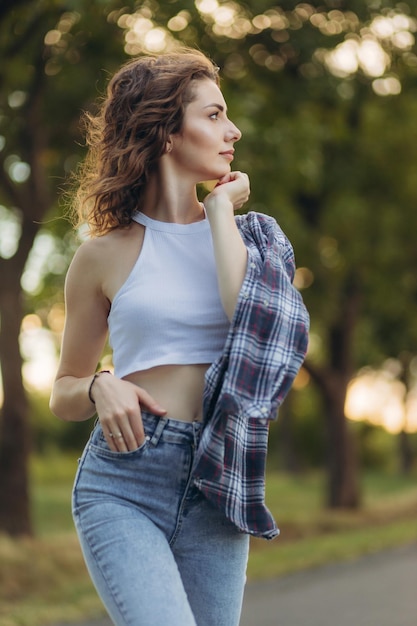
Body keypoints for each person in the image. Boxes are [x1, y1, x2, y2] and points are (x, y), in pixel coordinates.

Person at [50, 48, 309, 626]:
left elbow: (247, 314)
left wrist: (219, 212)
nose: (233, 130)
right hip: (124, 481)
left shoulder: (258, 240)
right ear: (167, 130)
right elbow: (63, 390)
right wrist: (98, 387)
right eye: (214, 115)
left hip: (219, 480)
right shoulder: (100, 256)